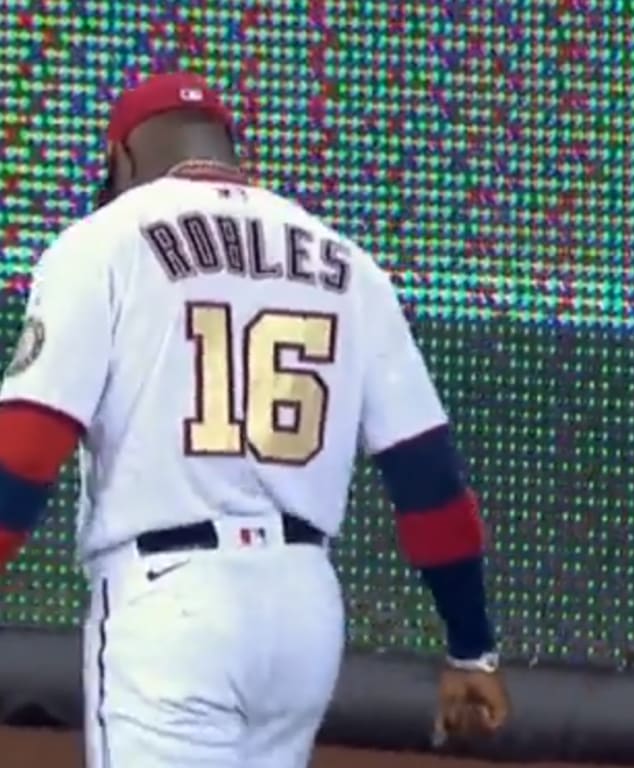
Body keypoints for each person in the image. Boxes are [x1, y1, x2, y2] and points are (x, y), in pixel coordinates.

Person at [0, 72, 510, 767]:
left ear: (120, 158)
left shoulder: (102, 243)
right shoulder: (345, 262)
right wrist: (470, 646)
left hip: (170, 605)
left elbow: (24, 456)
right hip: (302, 612)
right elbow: (428, 477)